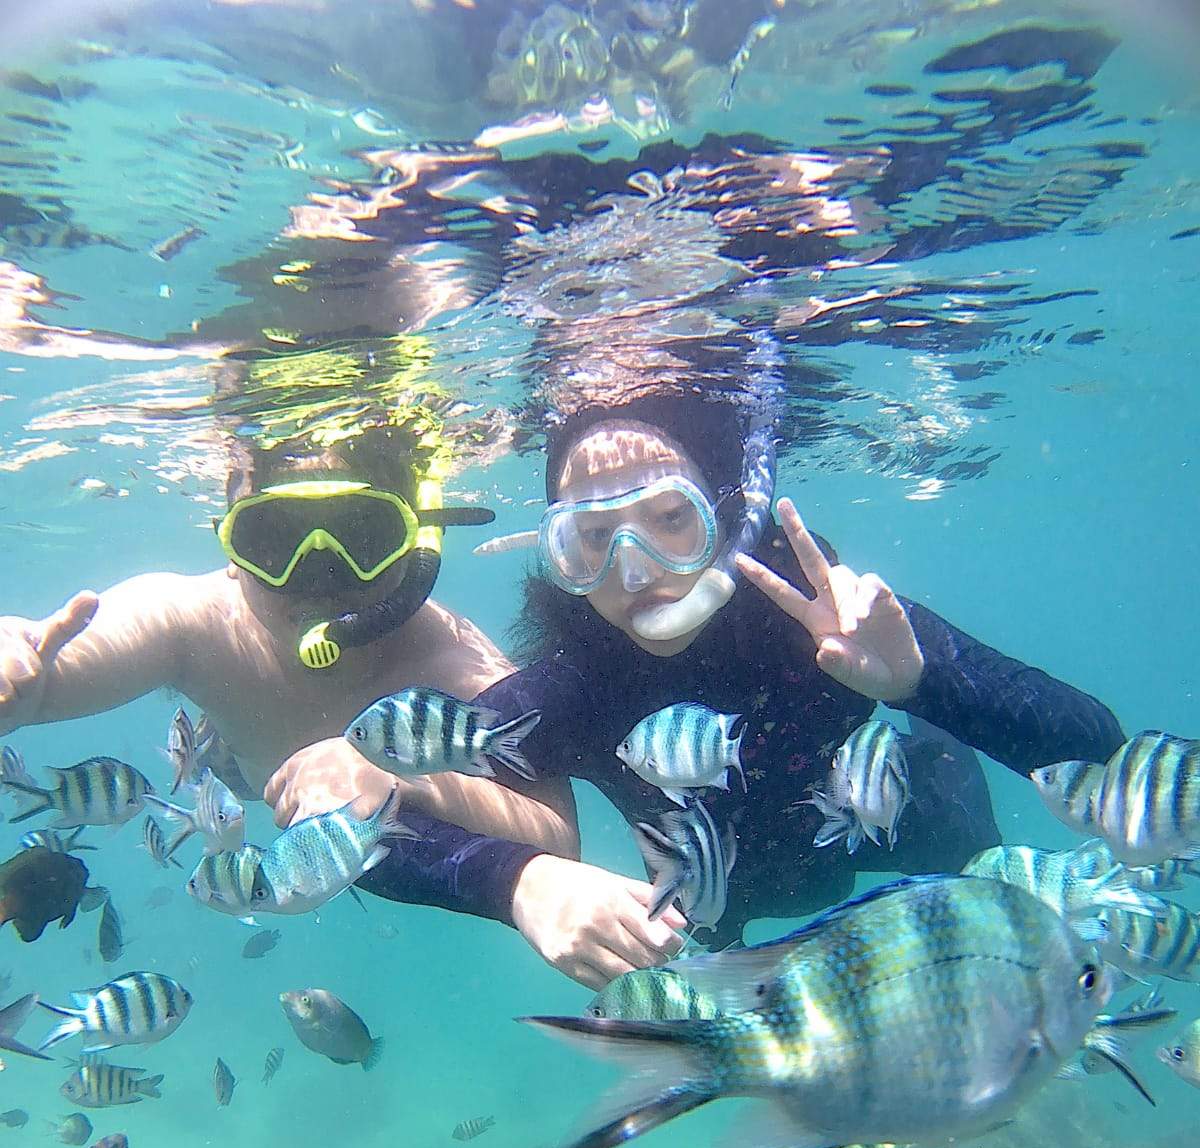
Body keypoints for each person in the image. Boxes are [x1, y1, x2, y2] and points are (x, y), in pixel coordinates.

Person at [271, 387, 1124, 989]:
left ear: (725, 512)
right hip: (719, 920)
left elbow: (1097, 746)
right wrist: (521, 883)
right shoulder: (574, 690)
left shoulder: (822, 622)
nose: (633, 568)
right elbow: (361, 841)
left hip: (926, 839)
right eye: (591, 538)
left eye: (670, 519)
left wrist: (918, 679)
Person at [0, 375, 577, 875]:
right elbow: (60, 663)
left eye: (361, 535)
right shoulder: (191, 621)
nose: (318, 577)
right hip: (236, 772)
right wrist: (21, 670)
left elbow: (556, 835)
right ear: (230, 541)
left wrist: (407, 781)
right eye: (273, 538)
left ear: (414, 547)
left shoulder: (452, 664)